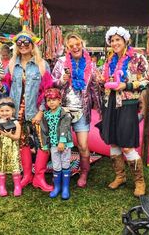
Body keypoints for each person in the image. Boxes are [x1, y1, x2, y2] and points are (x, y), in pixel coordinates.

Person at [98, 27, 149, 197]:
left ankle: (139, 181)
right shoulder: (110, 59)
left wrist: (127, 85)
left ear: (125, 40)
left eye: (117, 40)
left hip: (128, 103)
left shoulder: (137, 57)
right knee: (113, 142)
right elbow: (106, 80)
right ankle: (120, 176)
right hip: (111, 102)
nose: (114, 43)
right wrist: (102, 80)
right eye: (112, 40)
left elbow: (147, 81)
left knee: (127, 145)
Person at [52, 33, 101, 188]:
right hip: (64, 110)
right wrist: (61, 80)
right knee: (61, 144)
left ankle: (84, 171)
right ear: (67, 48)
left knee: (83, 145)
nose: (75, 47)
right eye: (71, 45)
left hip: (82, 110)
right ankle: (59, 171)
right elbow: (52, 84)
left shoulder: (91, 65)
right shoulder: (61, 62)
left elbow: (94, 89)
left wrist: (101, 108)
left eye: (77, 44)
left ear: (82, 44)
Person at [9, 30, 53, 192]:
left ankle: (39, 177)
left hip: (36, 111)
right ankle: (27, 175)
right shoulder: (12, 64)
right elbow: (8, 88)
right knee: (23, 142)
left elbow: (48, 90)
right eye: (19, 43)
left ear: (32, 44)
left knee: (43, 143)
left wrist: (41, 111)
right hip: (18, 113)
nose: (22, 46)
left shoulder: (42, 64)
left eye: (26, 42)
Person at [40, 88, 73, 200]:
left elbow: (65, 126)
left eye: (54, 99)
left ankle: (65, 188)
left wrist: (62, 141)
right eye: (49, 100)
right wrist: (45, 144)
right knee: (56, 165)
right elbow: (44, 130)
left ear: (59, 100)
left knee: (65, 163)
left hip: (64, 144)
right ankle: (57, 187)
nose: (51, 102)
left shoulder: (64, 113)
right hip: (54, 145)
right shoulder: (46, 115)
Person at [0, 97, 22, 197]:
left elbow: (17, 137)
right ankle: (1, 186)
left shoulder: (16, 123)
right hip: (2, 149)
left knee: (15, 165)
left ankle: (17, 186)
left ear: (12, 111)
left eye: (7, 110)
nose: (4, 113)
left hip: (13, 149)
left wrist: (10, 135)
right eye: (2, 111)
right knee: (2, 166)